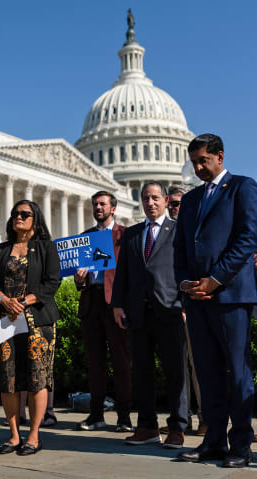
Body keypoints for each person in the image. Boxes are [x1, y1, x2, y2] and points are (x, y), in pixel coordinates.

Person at [175, 134, 257, 467]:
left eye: (202, 161)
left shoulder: (242, 187)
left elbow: (248, 237)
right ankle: (213, 442)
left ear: (219, 156)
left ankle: (240, 446)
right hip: (197, 299)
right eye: (193, 162)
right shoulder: (191, 199)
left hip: (230, 296)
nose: (196, 168)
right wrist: (185, 283)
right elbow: (180, 246)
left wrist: (215, 279)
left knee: (237, 372)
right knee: (207, 373)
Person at [112, 182, 187, 449]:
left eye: (155, 198)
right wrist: (118, 305)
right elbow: (123, 273)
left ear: (166, 200)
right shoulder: (132, 234)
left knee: (175, 373)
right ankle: (146, 426)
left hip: (170, 310)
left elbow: (186, 271)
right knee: (141, 372)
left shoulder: (179, 231)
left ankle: (177, 428)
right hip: (138, 314)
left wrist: (184, 304)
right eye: (145, 198)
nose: (150, 203)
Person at [0, 200, 60, 456]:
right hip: (6, 320)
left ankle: (34, 436)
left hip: (37, 321)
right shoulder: (1, 249)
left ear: (35, 220)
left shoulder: (46, 247)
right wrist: (4, 300)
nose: (18, 217)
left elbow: (51, 283)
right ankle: (14, 435)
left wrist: (23, 302)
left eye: (25, 214)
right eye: (15, 213)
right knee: (9, 379)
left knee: (37, 379)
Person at [74, 191, 132, 432]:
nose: (98, 207)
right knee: (95, 363)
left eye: (102, 204)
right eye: (95, 204)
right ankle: (96, 415)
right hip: (91, 302)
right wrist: (79, 278)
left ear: (113, 208)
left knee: (121, 362)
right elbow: (78, 278)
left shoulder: (125, 235)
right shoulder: (85, 237)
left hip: (115, 303)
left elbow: (131, 272)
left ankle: (124, 418)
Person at [164, 185, 206, 437]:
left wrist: (187, 301)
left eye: (178, 203)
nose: (173, 208)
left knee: (198, 365)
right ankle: (180, 420)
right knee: (176, 367)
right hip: (168, 307)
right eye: (171, 203)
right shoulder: (166, 232)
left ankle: (206, 419)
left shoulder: (196, 231)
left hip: (192, 305)